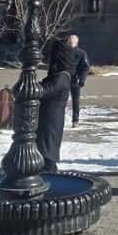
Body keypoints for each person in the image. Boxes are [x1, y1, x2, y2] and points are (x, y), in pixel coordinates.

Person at [36, 38, 72, 173]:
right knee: (43, 151)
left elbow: (46, 90)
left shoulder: (62, 76)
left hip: (51, 121)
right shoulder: (59, 75)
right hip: (47, 118)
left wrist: (33, 87)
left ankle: (51, 179)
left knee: (48, 154)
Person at [66, 34, 90, 128]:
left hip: (75, 80)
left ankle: (75, 120)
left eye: (72, 42)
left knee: (75, 101)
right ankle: (60, 119)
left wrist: (82, 79)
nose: (70, 43)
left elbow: (85, 67)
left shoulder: (81, 53)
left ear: (76, 43)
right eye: (69, 41)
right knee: (61, 100)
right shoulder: (64, 52)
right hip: (64, 79)